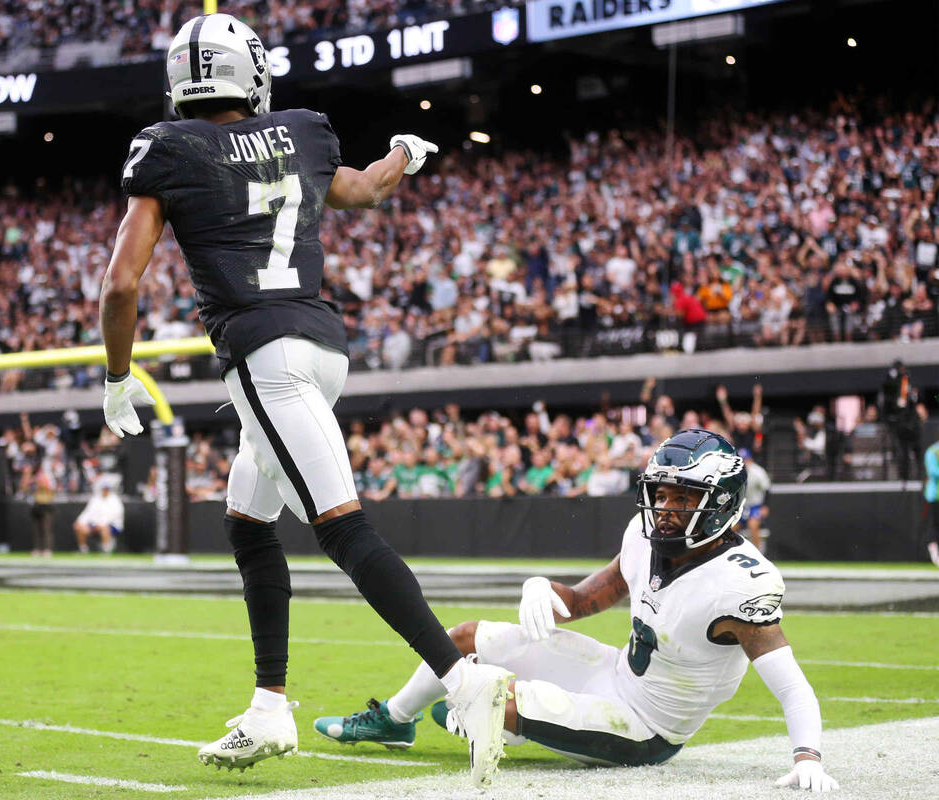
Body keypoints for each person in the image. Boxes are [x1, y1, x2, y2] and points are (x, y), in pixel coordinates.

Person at [97, 13, 511, 787]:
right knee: (249, 520)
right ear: (248, 72)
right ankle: (269, 706)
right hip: (322, 349)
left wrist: (118, 376)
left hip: (264, 355)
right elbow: (364, 190)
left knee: (343, 528)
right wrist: (403, 154)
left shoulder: (169, 146)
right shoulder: (303, 132)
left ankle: (463, 682)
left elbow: (122, 281)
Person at [314, 430, 839, 793]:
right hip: (611, 672)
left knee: (492, 700)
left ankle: (492, 720)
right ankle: (394, 720)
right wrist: (542, 588)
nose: (665, 508)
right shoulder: (645, 535)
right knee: (466, 637)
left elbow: (792, 685)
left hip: (645, 726)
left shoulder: (739, 584)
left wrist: (807, 757)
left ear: (723, 502)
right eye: (661, 493)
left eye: (684, 497)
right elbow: (587, 599)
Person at [73, 476, 124, 554]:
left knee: (105, 528)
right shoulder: (95, 499)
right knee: (79, 527)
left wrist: (101, 524)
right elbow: (87, 512)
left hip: (112, 526)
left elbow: (115, 515)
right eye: (104, 489)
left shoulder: (115, 500)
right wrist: (79, 522)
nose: (105, 491)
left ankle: (106, 550)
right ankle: (83, 550)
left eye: (106, 489)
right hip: (95, 525)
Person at [739, 448, 771, 552]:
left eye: (746, 460)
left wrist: (765, 506)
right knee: (730, 528)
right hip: (741, 506)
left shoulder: (758, 472)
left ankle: (757, 554)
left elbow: (767, 489)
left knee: (753, 525)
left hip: (755, 505)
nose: (744, 463)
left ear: (750, 460)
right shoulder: (735, 473)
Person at [925, 438, 939, 568]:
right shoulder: (933, 451)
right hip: (935, 495)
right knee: (935, 524)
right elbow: (933, 472)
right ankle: (935, 552)